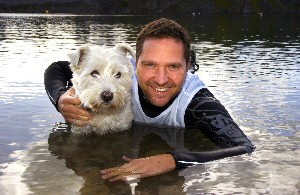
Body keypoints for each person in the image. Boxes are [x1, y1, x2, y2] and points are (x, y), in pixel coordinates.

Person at [44, 18, 255, 182]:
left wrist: (172, 160)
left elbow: (243, 147)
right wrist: (60, 98)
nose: (161, 79)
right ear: (134, 63)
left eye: (173, 66)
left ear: (188, 64)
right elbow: (56, 68)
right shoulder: (123, 75)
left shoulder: (197, 104)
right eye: (150, 65)